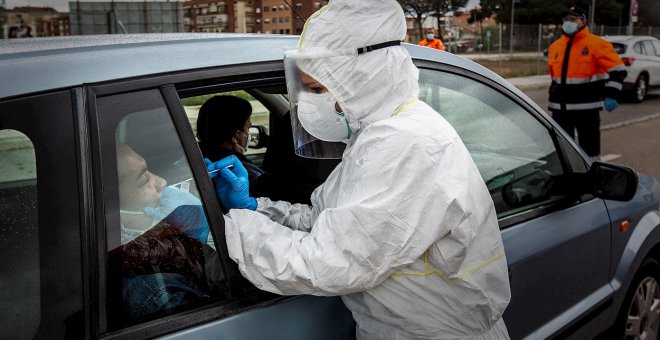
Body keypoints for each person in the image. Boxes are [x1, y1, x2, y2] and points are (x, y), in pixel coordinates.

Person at [208, 1, 510, 339]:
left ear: (361, 79)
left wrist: (226, 230)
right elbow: (331, 220)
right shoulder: (379, 133)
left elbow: (331, 262)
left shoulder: (405, 145)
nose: (313, 102)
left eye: (320, 89)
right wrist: (255, 208)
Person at [547, 5, 626, 159]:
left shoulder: (597, 44)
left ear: (583, 20)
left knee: (590, 153)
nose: (567, 22)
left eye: (572, 19)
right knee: (563, 154)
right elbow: (554, 78)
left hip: (587, 111)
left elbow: (618, 71)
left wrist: (611, 95)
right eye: (565, 19)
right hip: (559, 111)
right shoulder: (555, 47)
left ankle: (593, 180)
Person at [196, 95, 264, 188]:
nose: (248, 134)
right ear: (236, 134)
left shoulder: (195, 159)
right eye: (248, 128)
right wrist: (240, 159)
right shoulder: (247, 175)